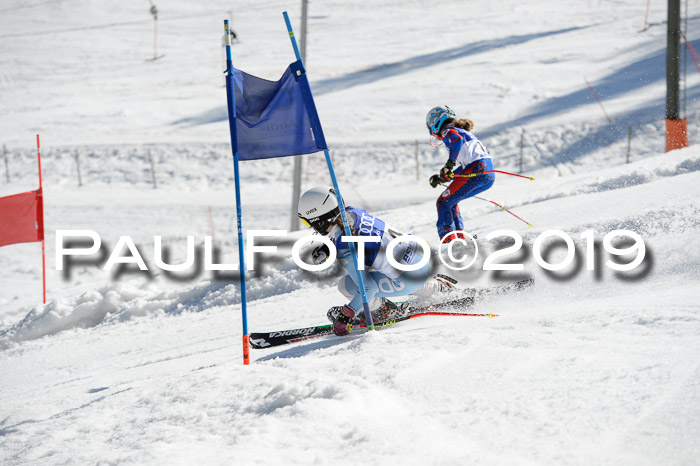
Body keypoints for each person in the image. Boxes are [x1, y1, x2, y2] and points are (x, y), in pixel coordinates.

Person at [298, 186, 455, 336]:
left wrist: (345, 317)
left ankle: (382, 311)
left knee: (347, 286)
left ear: (319, 220)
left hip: (410, 276)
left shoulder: (344, 248)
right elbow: (362, 237)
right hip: (421, 255)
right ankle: (435, 287)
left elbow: (368, 289)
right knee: (383, 264)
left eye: (308, 222)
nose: (311, 228)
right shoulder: (352, 213)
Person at [426, 106, 495, 243]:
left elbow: (456, 140)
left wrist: (450, 164)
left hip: (477, 169)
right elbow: (466, 165)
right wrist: (443, 176)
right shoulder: (461, 131)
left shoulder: (449, 130)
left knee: (443, 202)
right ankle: (459, 239)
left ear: (437, 121)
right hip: (487, 173)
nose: (431, 131)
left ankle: (449, 240)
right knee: (451, 201)